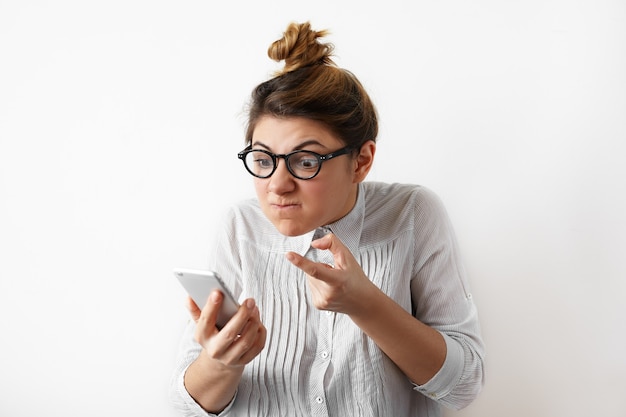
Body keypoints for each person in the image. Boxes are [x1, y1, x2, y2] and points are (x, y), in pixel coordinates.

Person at [170, 21, 485, 417]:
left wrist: (365, 304)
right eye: (264, 160)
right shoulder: (239, 228)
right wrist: (221, 363)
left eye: (305, 161)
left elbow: (464, 387)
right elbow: (186, 407)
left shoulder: (412, 215)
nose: (277, 185)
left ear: (362, 161)